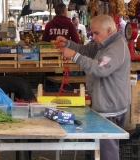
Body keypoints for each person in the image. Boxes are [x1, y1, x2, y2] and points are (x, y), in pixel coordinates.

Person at [57, 14, 131, 160]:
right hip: (105, 103)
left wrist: (74, 56)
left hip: (110, 107)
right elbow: (86, 50)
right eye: (92, 33)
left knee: (108, 151)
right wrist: (68, 44)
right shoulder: (103, 44)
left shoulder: (116, 48)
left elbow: (99, 68)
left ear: (109, 31)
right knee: (103, 148)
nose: (93, 36)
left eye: (96, 33)